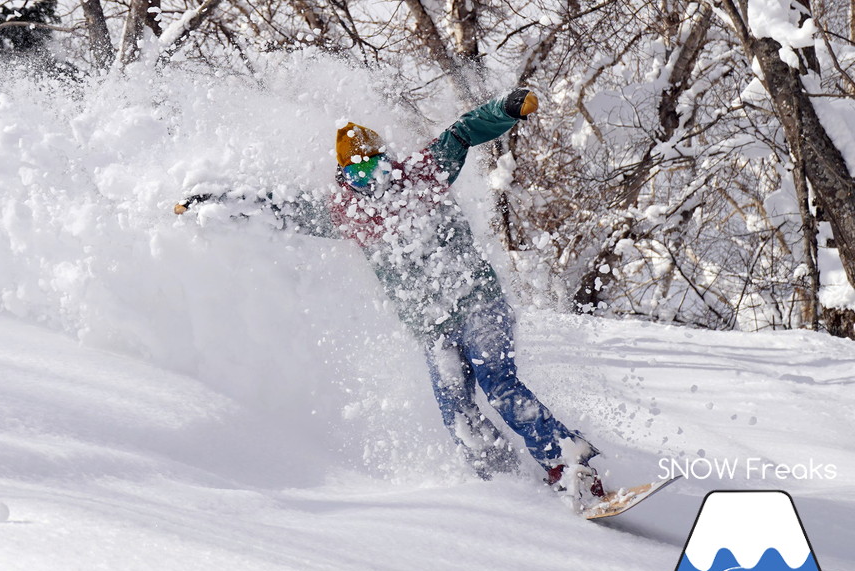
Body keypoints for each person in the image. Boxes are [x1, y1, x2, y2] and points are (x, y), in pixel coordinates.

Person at [175, 89, 605, 506]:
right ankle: (508, 487)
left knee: (499, 385)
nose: (372, 179)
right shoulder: (346, 214)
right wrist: (214, 203)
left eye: (376, 166)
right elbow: (280, 208)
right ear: (345, 176)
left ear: (389, 160)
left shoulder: (424, 174)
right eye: (359, 172)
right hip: (432, 327)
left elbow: (464, 131)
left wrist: (508, 109)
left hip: (477, 303)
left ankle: (567, 462)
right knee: (457, 414)